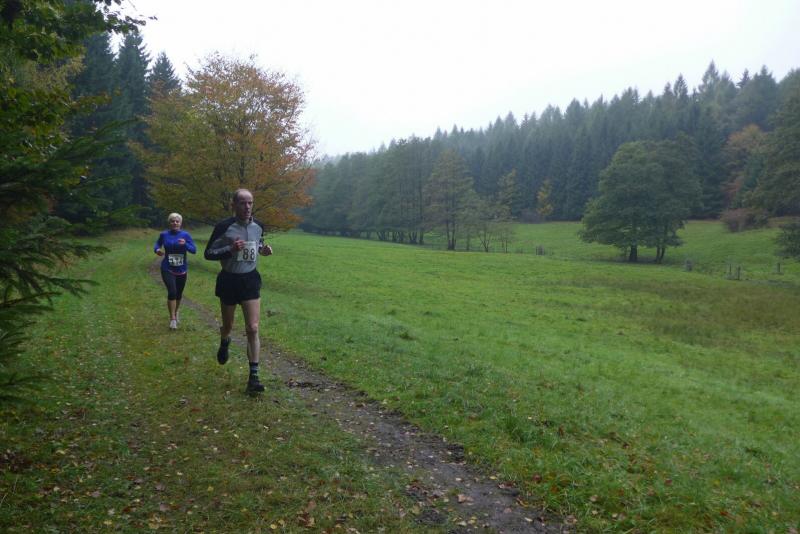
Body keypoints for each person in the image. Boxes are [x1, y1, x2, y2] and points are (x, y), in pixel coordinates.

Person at [204, 189, 273, 394]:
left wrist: (263, 250)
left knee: (252, 327)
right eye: (242, 203)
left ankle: (254, 378)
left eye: (250, 203)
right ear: (233, 205)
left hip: (250, 279)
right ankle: (225, 340)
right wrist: (230, 249)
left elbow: (257, 244)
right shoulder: (223, 227)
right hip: (229, 280)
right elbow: (208, 253)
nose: (247, 207)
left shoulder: (259, 225)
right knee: (228, 325)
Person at [154, 213, 197, 330]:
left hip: (181, 269)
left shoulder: (185, 235)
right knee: (172, 292)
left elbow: (194, 250)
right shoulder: (164, 234)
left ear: (180, 223)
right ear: (169, 223)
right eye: (172, 221)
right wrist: (157, 250)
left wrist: (185, 244)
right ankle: (172, 319)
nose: (175, 223)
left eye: (177, 221)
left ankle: (176, 312)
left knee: (178, 294)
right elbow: (157, 244)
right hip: (167, 268)